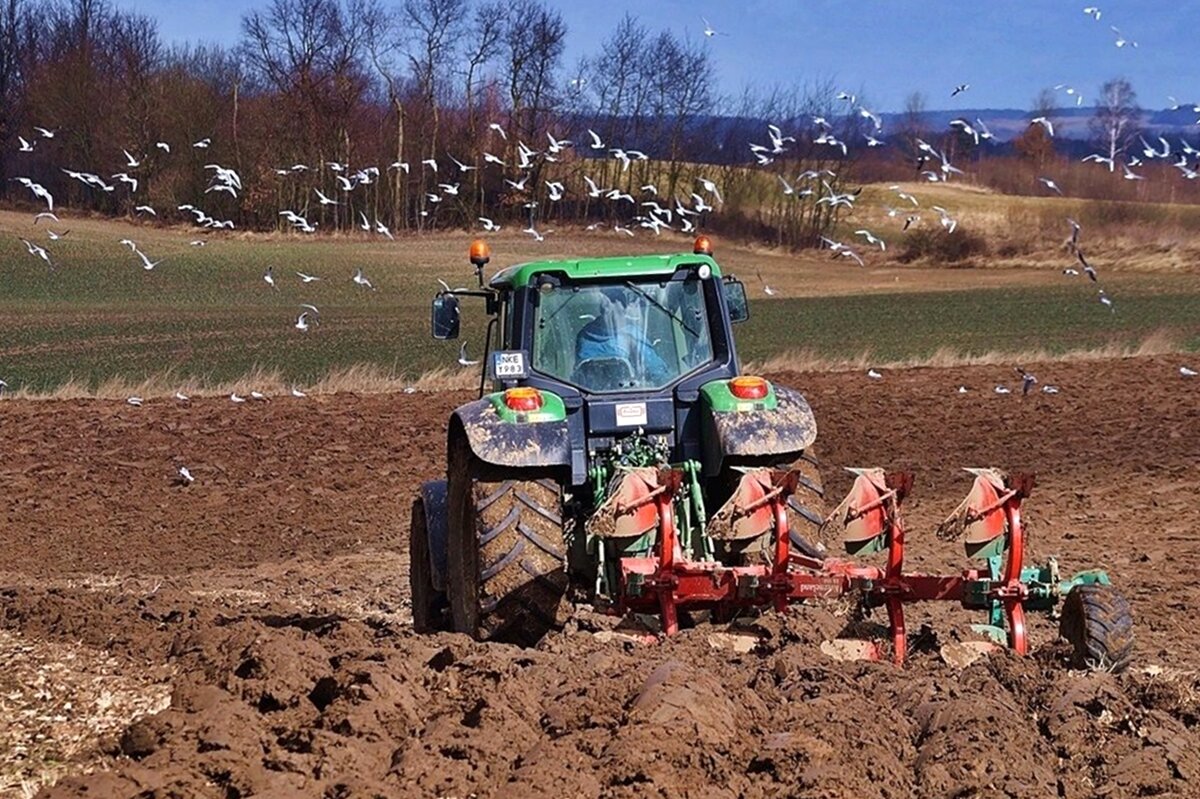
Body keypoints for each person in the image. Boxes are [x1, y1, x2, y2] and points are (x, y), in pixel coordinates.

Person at [574, 287, 671, 387]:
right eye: (611, 311)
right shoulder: (632, 335)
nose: (616, 318)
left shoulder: (583, 335)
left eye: (618, 313)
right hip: (625, 395)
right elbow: (658, 373)